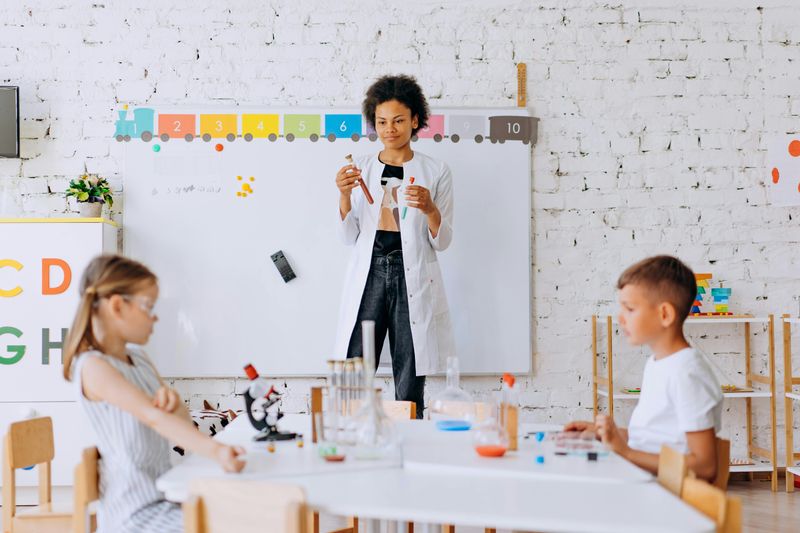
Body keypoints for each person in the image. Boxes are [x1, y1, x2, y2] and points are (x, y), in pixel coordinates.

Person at [63, 254, 246, 532]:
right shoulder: (94, 367)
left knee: (243, 515)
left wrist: (175, 407)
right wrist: (218, 452)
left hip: (167, 498)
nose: (155, 317)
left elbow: (178, 422)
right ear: (117, 306)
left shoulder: (140, 358)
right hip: (135, 515)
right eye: (148, 306)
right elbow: (152, 417)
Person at [333, 74, 455, 418]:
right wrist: (344, 194)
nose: (390, 129)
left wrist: (430, 208)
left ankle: (412, 439)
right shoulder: (362, 168)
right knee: (355, 364)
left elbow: (442, 241)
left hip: (410, 272)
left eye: (399, 120)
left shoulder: (436, 171)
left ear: (415, 120)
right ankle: (348, 434)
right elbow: (348, 236)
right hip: (370, 270)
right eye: (382, 121)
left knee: (411, 366)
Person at [565, 255, 722, 480]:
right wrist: (607, 434)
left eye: (629, 309)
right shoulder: (658, 364)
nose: (621, 318)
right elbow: (653, 439)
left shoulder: (687, 373)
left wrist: (625, 452)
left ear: (665, 314)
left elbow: (705, 466)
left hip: (665, 497)